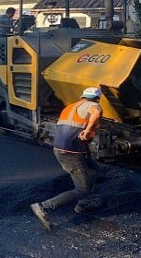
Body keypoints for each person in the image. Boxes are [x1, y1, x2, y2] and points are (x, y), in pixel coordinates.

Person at [30, 87, 104, 231]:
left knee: (94, 169)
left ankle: (84, 203)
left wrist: (86, 151)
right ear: (97, 99)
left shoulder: (71, 107)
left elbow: (72, 132)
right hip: (69, 153)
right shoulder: (93, 105)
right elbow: (97, 112)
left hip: (63, 149)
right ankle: (44, 206)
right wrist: (88, 130)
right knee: (82, 189)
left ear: (82, 96)